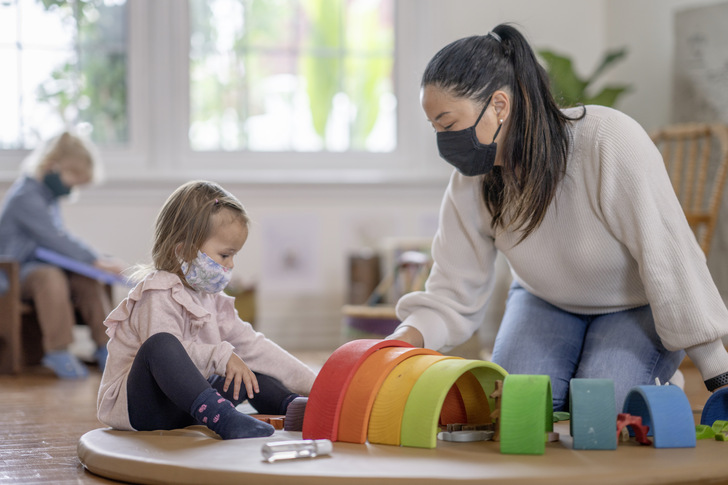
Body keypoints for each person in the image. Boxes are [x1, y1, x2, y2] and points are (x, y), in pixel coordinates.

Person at [387, 24, 728, 411]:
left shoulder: (607, 140)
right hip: (543, 301)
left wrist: (718, 372)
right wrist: (399, 341)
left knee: (600, 410)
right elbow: (451, 288)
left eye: (448, 125)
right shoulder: (472, 183)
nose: (443, 141)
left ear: (499, 105)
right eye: (435, 129)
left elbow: (669, 257)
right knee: (518, 409)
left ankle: (659, 383)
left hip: (633, 307)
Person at [97, 180, 317, 439]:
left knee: (248, 365)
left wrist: (317, 385)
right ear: (185, 250)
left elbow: (256, 347)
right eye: (225, 255)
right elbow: (165, 362)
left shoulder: (212, 298)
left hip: (188, 408)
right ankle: (224, 420)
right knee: (161, 345)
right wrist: (220, 356)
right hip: (142, 409)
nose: (231, 264)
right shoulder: (156, 292)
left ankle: (295, 408)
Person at [0, 131, 127, 379]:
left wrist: (95, 263)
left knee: (87, 279)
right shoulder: (25, 196)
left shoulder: (48, 198)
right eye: (73, 180)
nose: (72, 188)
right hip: (15, 272)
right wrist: (95, 259)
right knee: (50, 277)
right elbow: (54, 239)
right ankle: (57, 350)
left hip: (43, 266)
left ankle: (107, 346)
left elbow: (60, 241)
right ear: (52, 166)